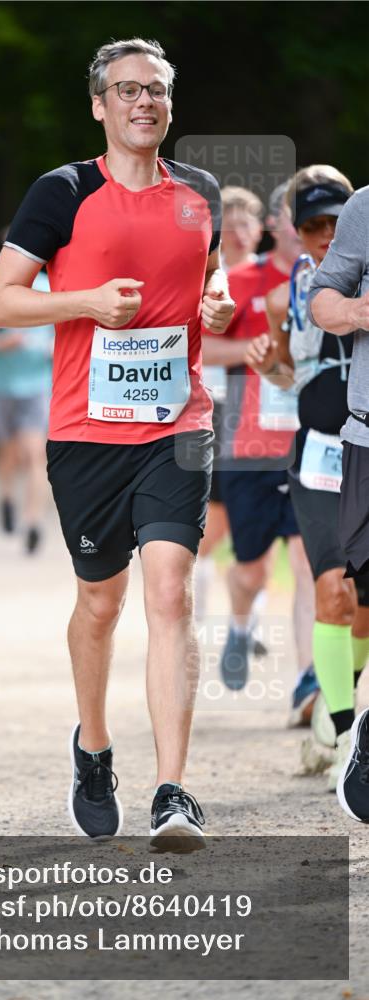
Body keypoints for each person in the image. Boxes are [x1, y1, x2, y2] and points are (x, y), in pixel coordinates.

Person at [0, 38, 235, 847]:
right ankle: (93, 746)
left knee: (170, 592)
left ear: (169, 102)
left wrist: (219, 305)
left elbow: (209, 280)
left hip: (178, 422)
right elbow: (1, 303)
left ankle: (173, 791)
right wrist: (86, 301)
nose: (142, 102)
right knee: (102, 601)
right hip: (84, 433)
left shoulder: (198, 192)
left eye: (155, 89)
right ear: (99, 105)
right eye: (125, 90)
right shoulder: (62, 192)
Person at [246, 166, 369, 803]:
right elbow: (294, 377)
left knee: (363, 608)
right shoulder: (287, 294)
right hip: (321, 457)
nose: (324, 237)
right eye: (312, 227)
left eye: (332, 224)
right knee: (332, 593)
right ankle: (345, 734)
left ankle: (332, 706)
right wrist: (273, 367)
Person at [202, 183, 316, 717]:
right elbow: (197, 343)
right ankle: (241, 624)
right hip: (249, 446)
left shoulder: (333, 283)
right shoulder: (243, 278)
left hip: (312, 443)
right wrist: (250, 353)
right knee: (251, 569)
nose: (308, 226)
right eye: (299, 216)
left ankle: (308, 684)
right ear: (277, 223)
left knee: (309, 562)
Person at [307, 184, 369, 822]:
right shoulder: (366, 209)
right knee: (352, 594)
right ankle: (359, 725)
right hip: (364, 435)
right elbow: (321, 299)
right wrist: (355, 312)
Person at [195, 187, 264, 626]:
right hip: (214, 409)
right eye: (230, 224)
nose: (238, 233)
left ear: (261, 229)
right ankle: (194, 620)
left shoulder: (277, 278)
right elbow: (202, 349)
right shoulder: (203, 282)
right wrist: (251, 350)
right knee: (211, 526)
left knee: (256, 525)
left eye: (246, 222)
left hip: (264, 415)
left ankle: (249, 623)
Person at [0, 265, 54, 554]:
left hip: (38, 385)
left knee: (34, 452)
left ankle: (33, 521)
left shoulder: (52, 286)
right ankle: (7, 497)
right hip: (0, 385)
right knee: (9, 452)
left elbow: (68, 330)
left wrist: (55, 347)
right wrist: (1, 344)